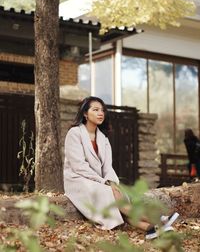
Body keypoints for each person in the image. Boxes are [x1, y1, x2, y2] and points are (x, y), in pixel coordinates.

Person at [63, 96, 179, 240]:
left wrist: (111, 181)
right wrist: (104, 182)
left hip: (98, 180)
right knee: (111, 195)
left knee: (118, 193)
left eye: (102, 110)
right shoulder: (74, 134)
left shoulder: (103, 139)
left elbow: (107, 167)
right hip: (78, 180)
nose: (101, 113)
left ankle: (149, 229)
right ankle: (158, 220)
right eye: (96, 110)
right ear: (85, 114)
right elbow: (78, 166)